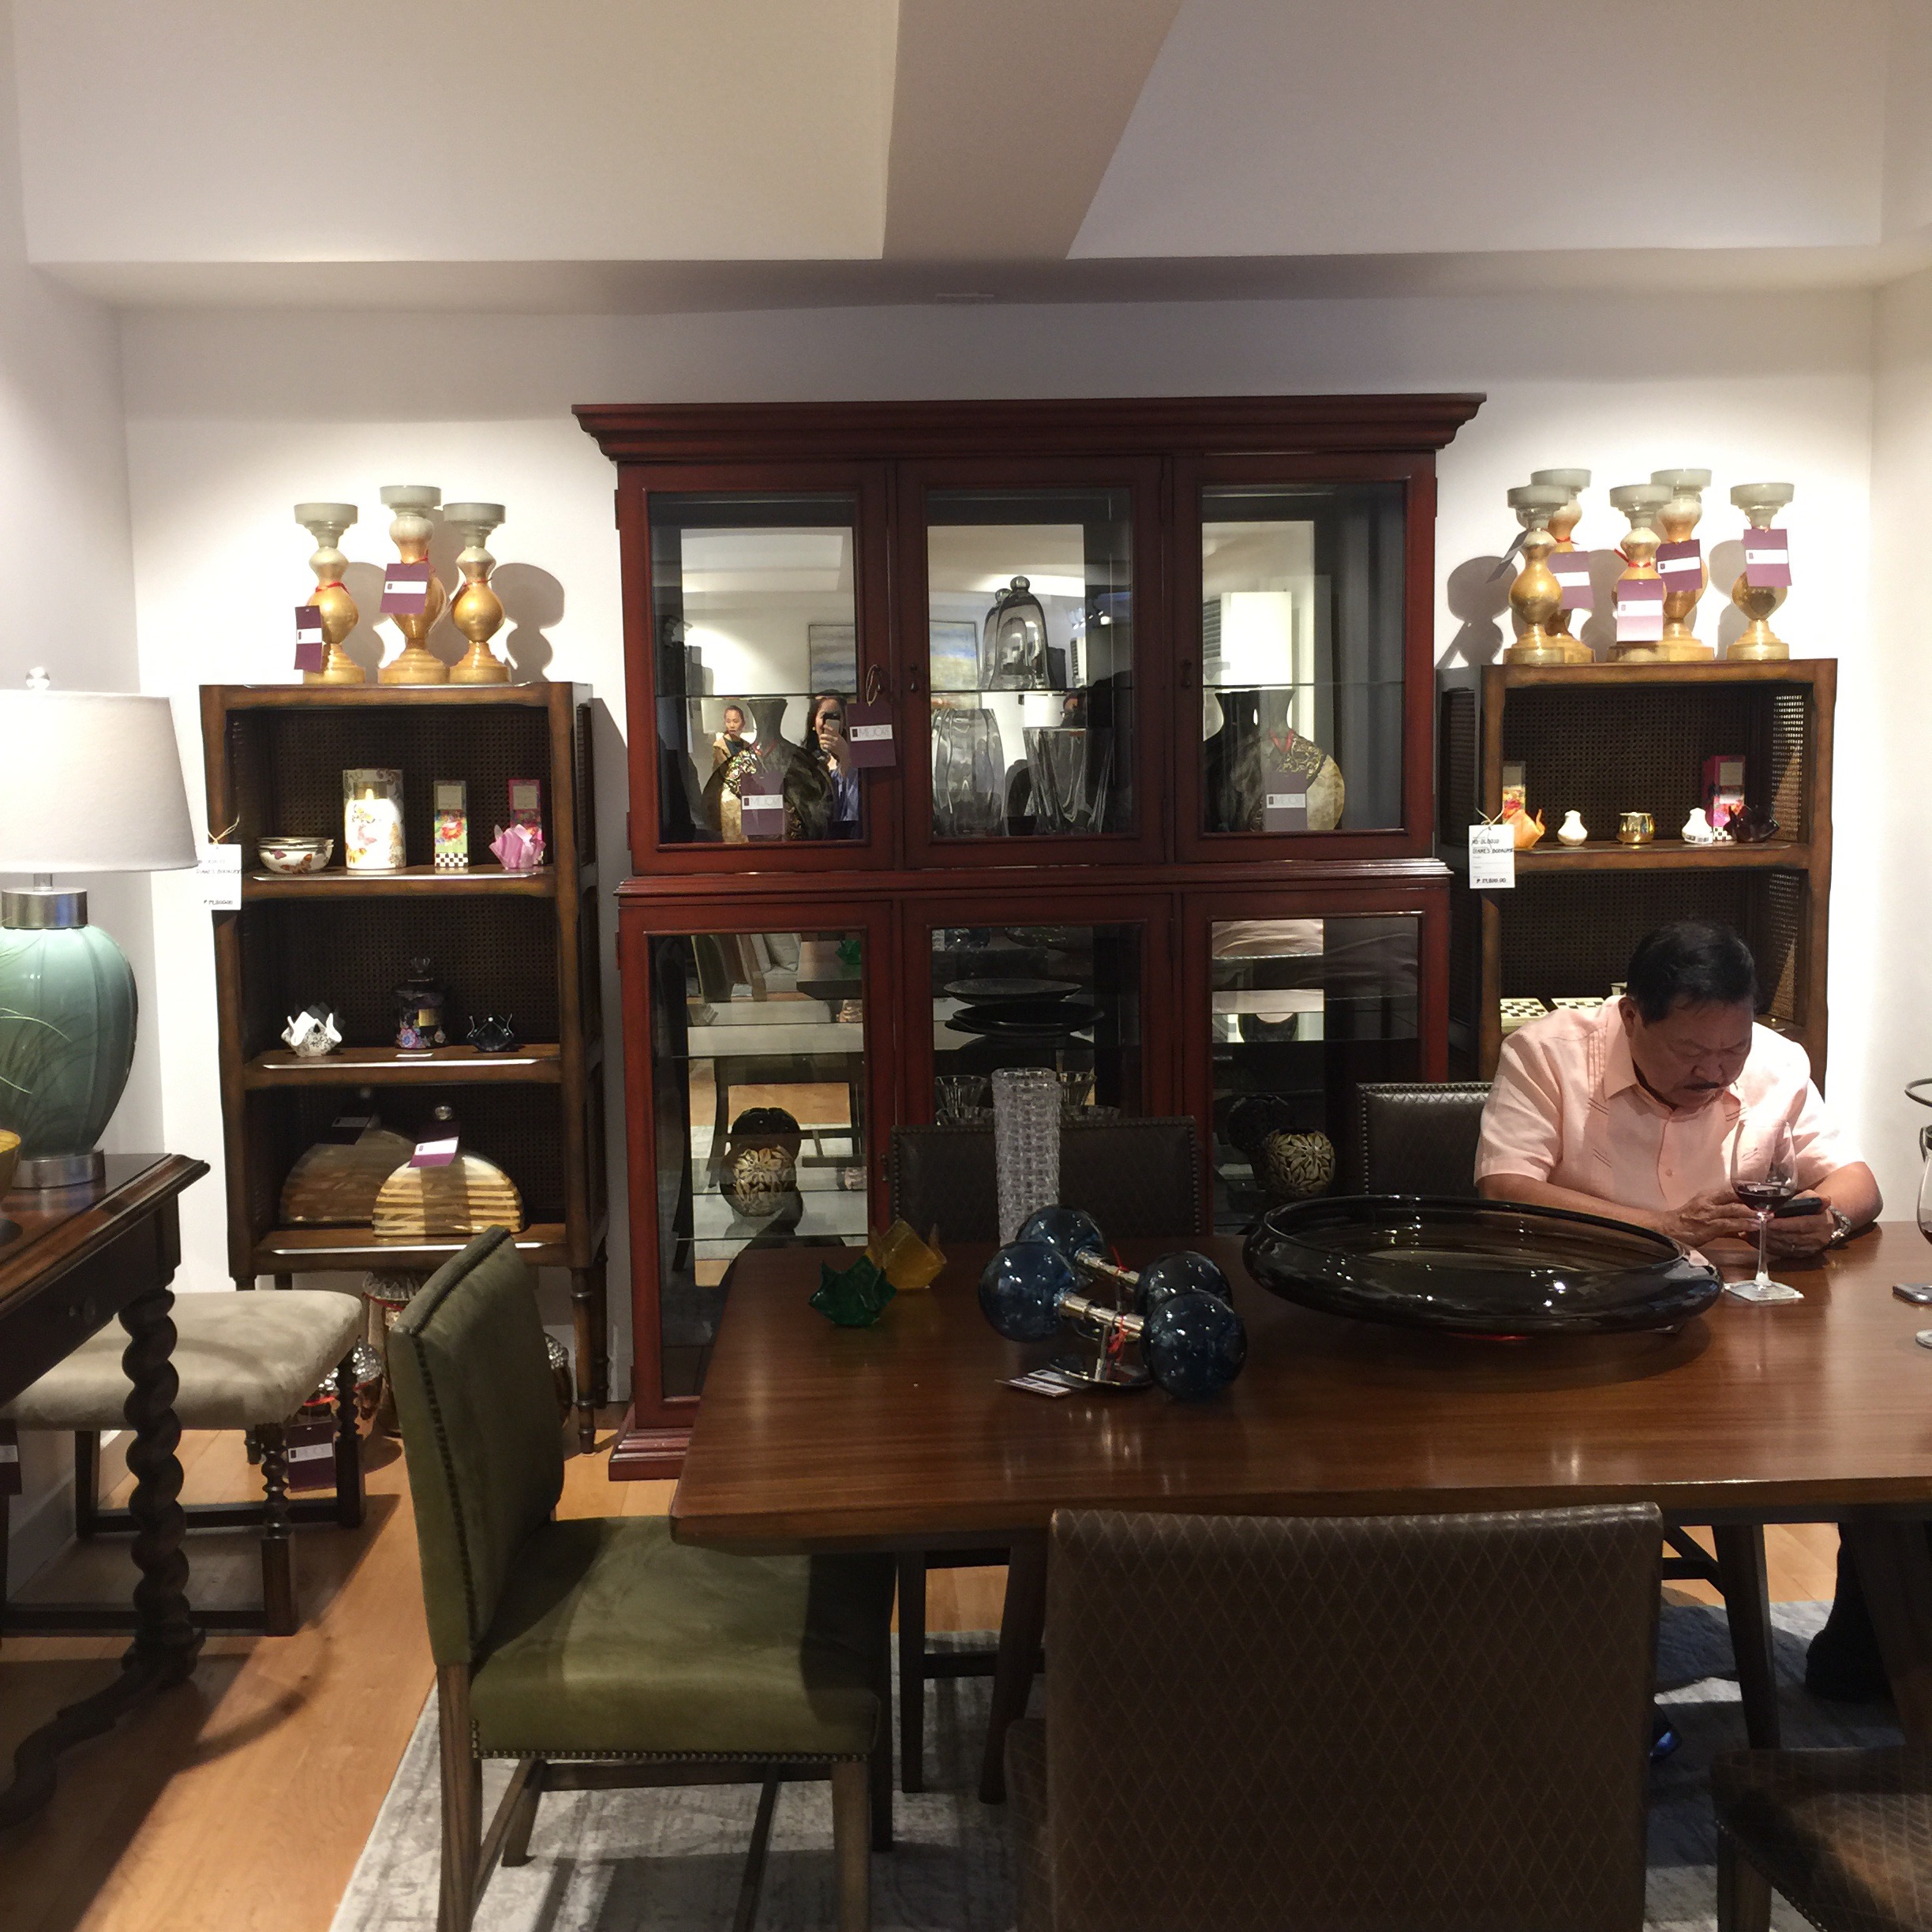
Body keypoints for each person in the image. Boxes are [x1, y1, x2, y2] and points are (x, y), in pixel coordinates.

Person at [1477, 919, 1887, 1698]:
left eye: (1732, 1050)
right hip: (1580, 1335)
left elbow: (1856, 1180)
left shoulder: (1777, 1062)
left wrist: (1826, 1219)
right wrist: (1662, 1227)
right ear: (1632, 1016)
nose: (1715, 1071)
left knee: (1874, 1447)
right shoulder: (1546, 1054)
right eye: (1692, 1051)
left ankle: (1868, 1663)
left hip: (1739, 1347)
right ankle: (1560, 1664)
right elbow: (1506, 1192)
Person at [803, 691, 860, 839]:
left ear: (844, 721)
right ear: (814, 721)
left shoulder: (858, 757)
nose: (828, 722)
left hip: (848, 837)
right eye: (824, 716)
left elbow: (855, 807)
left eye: (835, 716)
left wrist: (845, 756)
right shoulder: (804, 758)